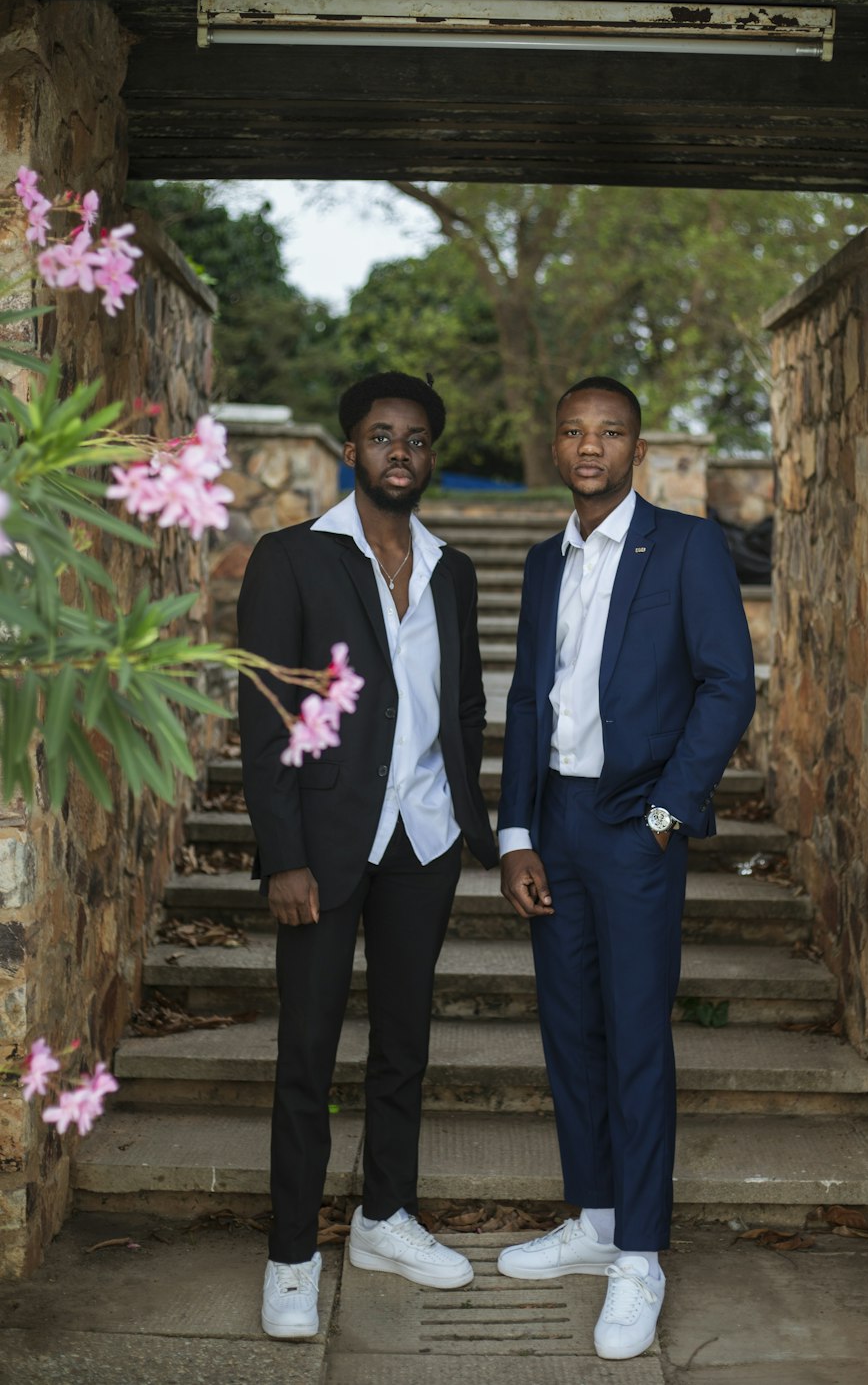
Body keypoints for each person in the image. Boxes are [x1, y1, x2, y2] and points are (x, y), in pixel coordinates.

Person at [496, 377, 756, 1361]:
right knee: (571, 1030)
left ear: (635, 447)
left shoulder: (683, 546)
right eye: (572, 431)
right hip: (555, 820)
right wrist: (515, 830)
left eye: (608, 432)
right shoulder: (538, 562)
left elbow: (727, 682)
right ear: (555, 446)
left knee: (637, 1037)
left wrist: (664, 813)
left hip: (633, 823)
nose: (589, 446)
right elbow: (526, 700)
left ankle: (640, 1255)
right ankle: (598, 1218)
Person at [237, 371, 497, 1340]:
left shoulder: (452, 571)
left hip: (421, 840)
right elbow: (266, 719)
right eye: (383, 435)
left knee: (403, 1049)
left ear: (431, 455)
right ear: (352, 450)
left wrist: (470, 815)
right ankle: (292, 1255)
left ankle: (385, 1218)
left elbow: (461, 706)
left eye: (417, 437)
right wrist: (283, 854)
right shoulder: (294, 558)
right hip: (325, 845)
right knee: (306, 1055)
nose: (401, 451)